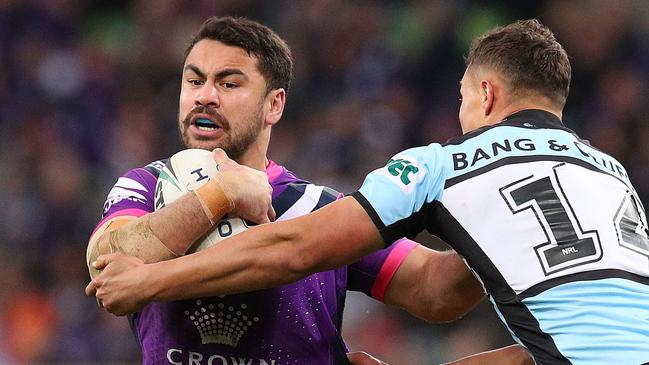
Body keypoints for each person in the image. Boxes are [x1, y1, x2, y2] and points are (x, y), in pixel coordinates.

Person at [87, 18, 649, 365]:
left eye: (229, 83)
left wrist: (497, 233)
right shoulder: (145, 183)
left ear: (275, 104)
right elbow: (114, 262)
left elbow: (429, 288)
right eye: (194, 80)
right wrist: (219, 193)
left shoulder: (319, 208)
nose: (205, 95)